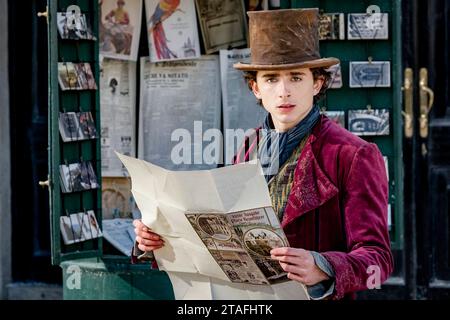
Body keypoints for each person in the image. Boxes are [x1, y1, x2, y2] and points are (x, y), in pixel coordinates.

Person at [133, 8, 393, 300]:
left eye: (296, 78)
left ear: (317, 83)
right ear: (255, 88)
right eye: (271, 79)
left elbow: (378, 263)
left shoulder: (353, 155)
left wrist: (324, 266)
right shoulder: (247, 148)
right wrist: (156, 240)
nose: (283, 91)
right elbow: (219, 239)